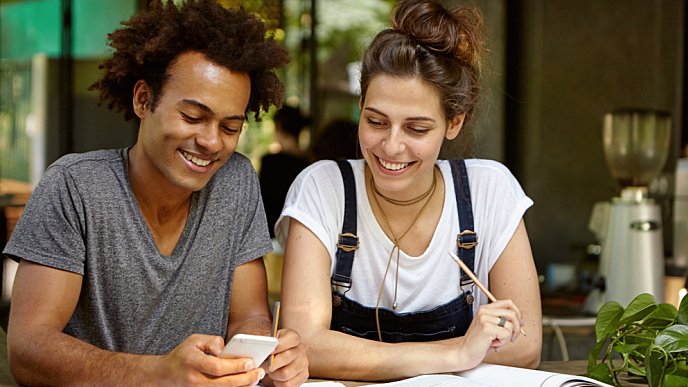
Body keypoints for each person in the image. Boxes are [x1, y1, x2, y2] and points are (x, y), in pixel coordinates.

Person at [3, 1, 309, 386]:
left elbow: (247, 316)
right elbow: (28, 350)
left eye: (230, 127)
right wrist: (158, 373)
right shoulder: (75, 186)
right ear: (144, 100)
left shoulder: (236, 180)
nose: (211, 142)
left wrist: (267, 351)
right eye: (193, 117)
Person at [276, 0, 541, 381]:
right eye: (376, 121)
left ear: (454, 123)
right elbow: (303, 344)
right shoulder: (324, 188)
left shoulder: (489, 191)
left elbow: (525, 345)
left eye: (417, 129)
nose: (392, 146)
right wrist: (459, 352)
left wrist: (355, 356)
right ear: (361, 105)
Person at [259, 106, 310, 238]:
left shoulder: (270, 163)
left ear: (278, 126)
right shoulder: (310, 163)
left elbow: (263, 205)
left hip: (273, 238)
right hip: (302, 237)